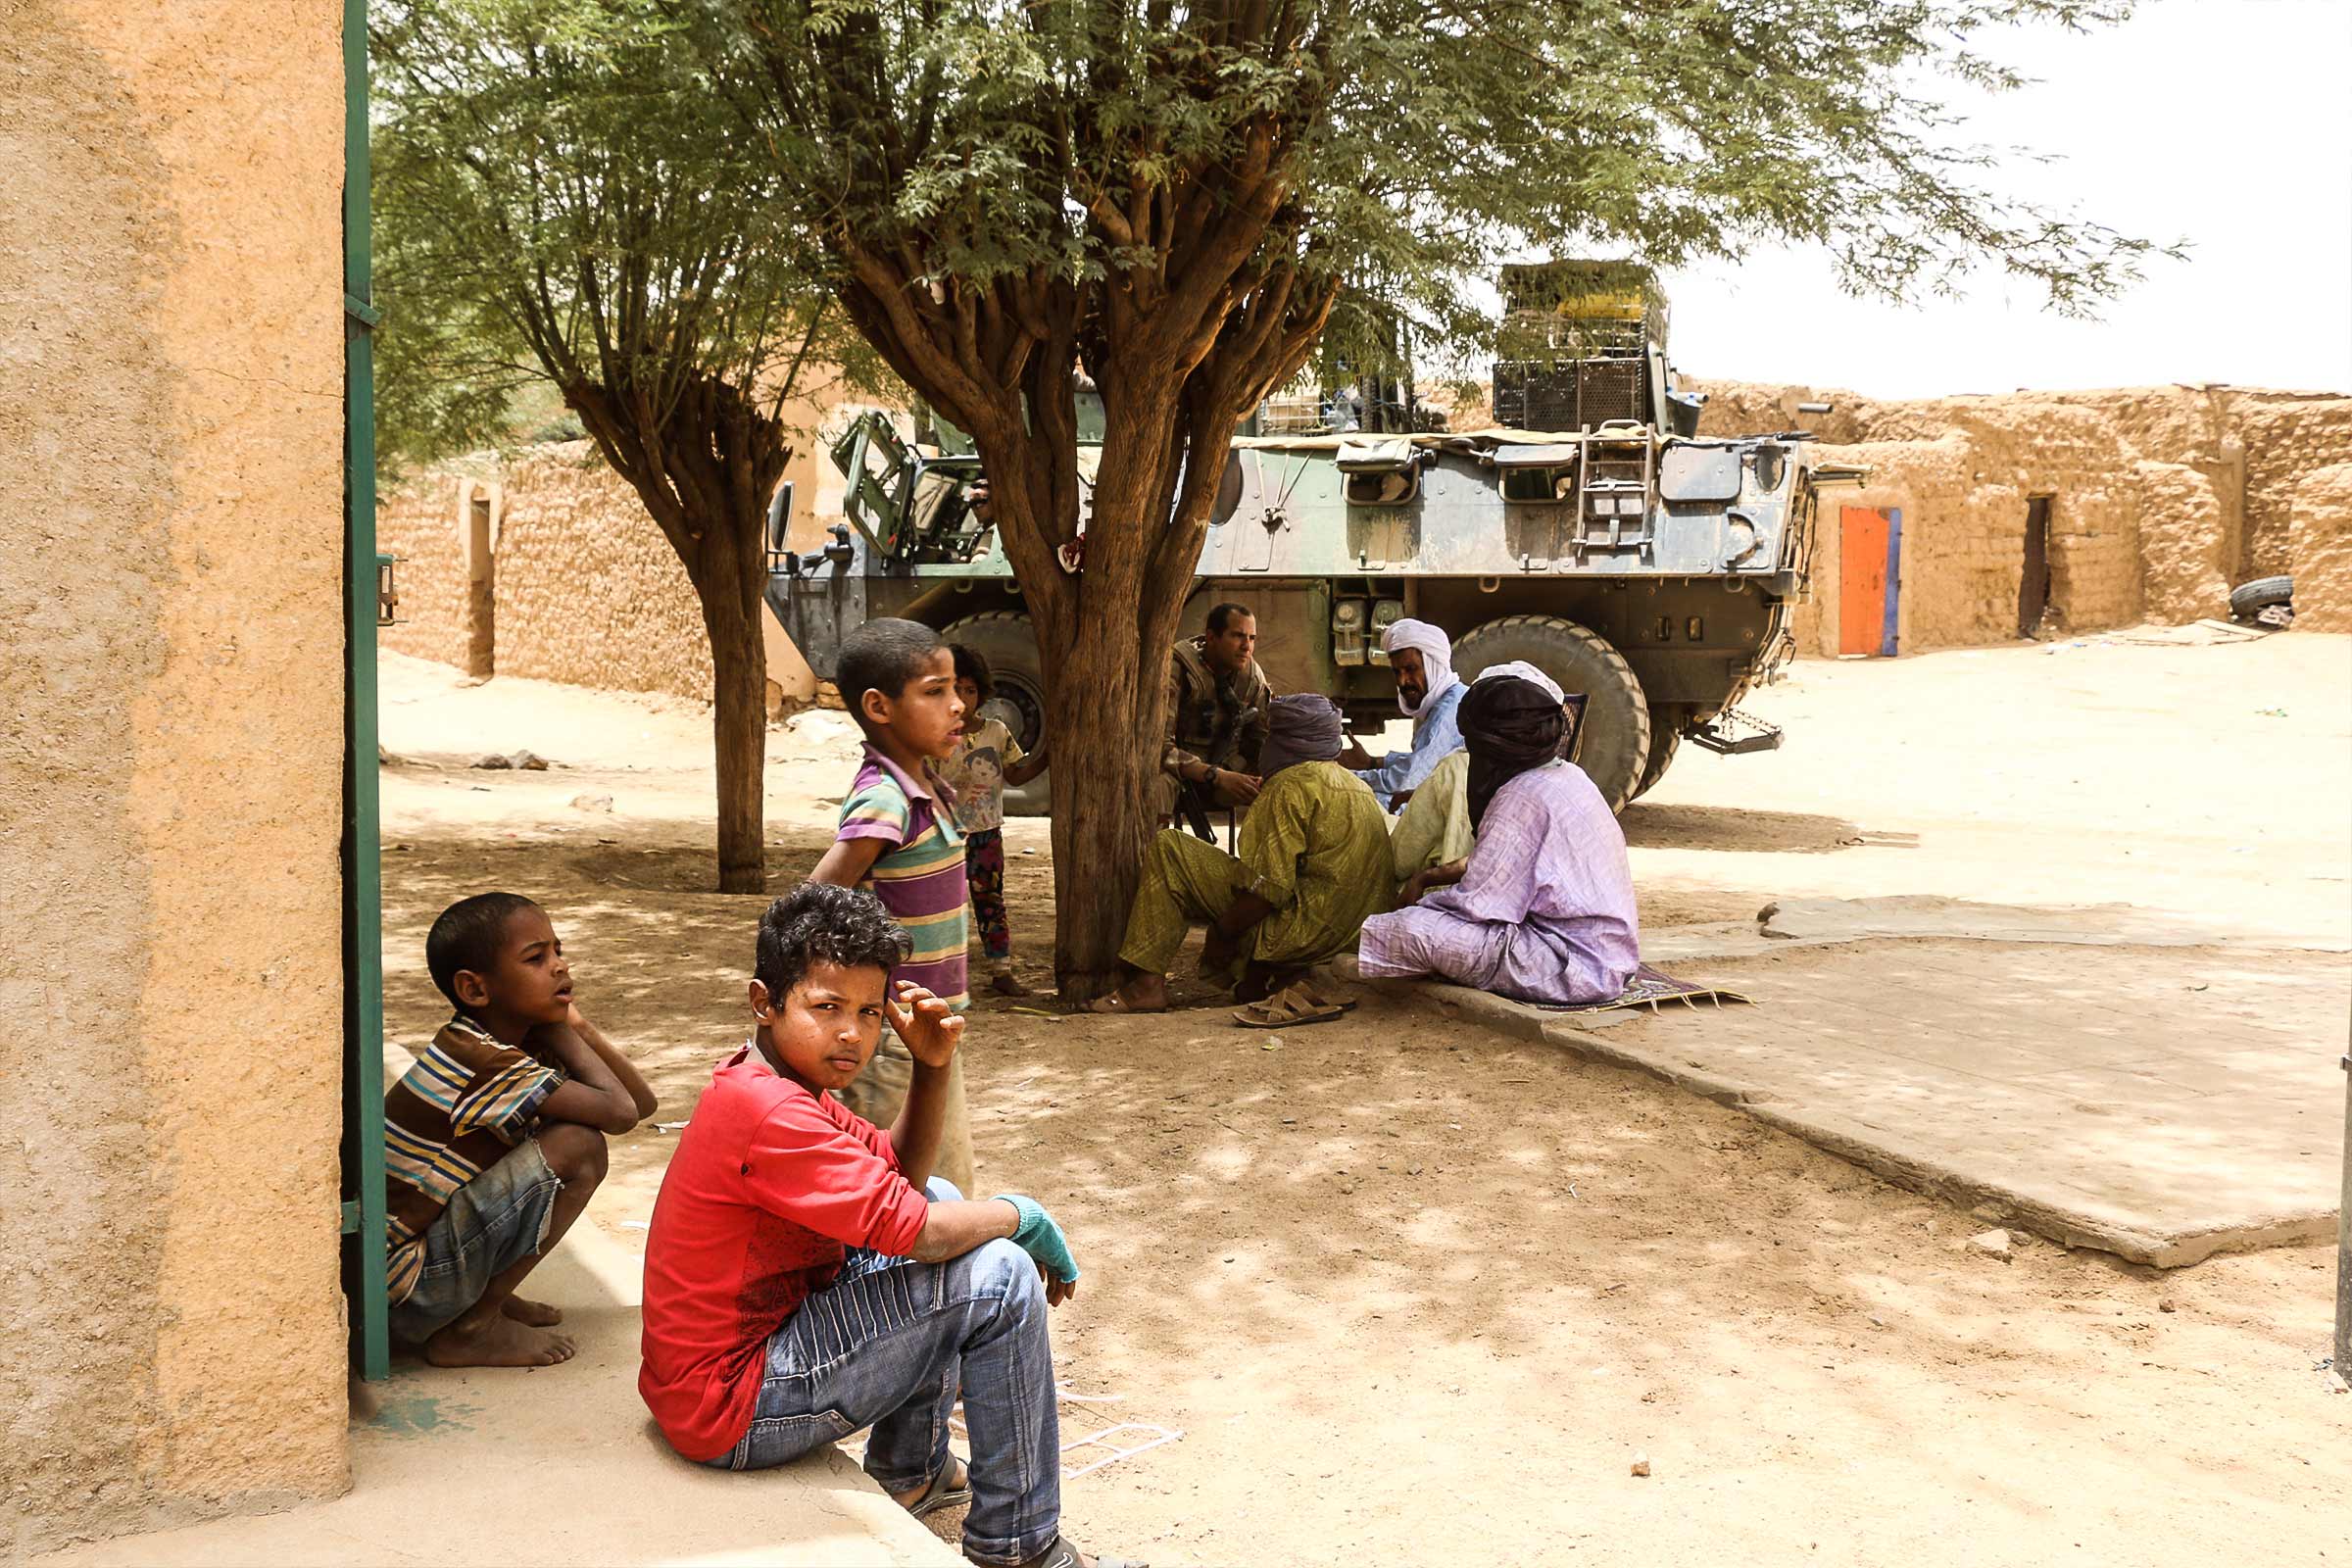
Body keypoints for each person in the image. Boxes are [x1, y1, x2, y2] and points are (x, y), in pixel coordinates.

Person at [639, 885, 1140, 1568]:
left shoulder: (782, 1087)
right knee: (998, 1277)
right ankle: (1019, 1547)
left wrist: (932, 1068)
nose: (853, 1033)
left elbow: (902, 1183)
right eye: (827, 1008)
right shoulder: (771, 1113)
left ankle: (912, 1472)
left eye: (871, 1012)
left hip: (731, 1370)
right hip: (731, 1405)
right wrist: (1021, 1216)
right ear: (765, 1002)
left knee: (941, 1199)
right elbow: (921, 1233)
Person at [383, 892, 658, 1368]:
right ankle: (471, 1327)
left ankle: (483, 1297)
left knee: (566, 1137)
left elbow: (641, 1103)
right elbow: (620, 1114)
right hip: (402, 1290)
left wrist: (574, 1026)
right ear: (474, 990)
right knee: (578, 1146)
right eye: (536, 958)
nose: (558, 966)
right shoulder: (482, 1059)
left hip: (408, 1273)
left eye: (558, 950)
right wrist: (564, 1031)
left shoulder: (506, 1040)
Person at [809, 617, 977, 1196]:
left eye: (955, 688)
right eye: (935, 691)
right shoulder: (886, 800)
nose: (957, 705)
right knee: (904, 1197)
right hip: (892, 1041)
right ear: (879, 708)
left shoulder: (931, 785)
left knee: (942, 1185)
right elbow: (812, 904)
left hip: (928, 1030)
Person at [1357, 665, 1641, 1005]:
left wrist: (1421, 902)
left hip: (1567, 964)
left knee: (1403, 929)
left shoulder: (1519, 795)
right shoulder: (1570, 776)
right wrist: (1430, 877)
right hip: (1609, 955)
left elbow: (1480, 907)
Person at [1093, 694, 1393, 1012]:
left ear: (1284, 740)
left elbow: (1267, 889)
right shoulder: (1358, 787)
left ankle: (1146, 986)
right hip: (1351, 937)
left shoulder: (1289, 786)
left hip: (1302, 936)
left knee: (1171, 849)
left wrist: (1221, 935)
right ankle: (1259, 978)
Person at [943, 643, 1051, 998]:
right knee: (943, 904)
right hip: (943, 835)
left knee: (990, 902)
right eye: (954, 688)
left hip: (986, 835)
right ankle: (943, 974)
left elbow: (1017, 775)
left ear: (982, 693)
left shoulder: (996, 732)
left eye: (970, 690)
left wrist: (1051, 752)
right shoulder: (933, 733)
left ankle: (1001, 970)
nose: (962, 698)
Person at [1156, 602, 1272, 825]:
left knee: (1283, 785)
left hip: (1228, 769)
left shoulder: (1251, 678)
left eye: (1252, 638)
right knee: (1157, 786)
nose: (1246, 647)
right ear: (1211, 637)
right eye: (1238, 636)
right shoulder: (1177, 670)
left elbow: (1263, 739)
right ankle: (1153, 857)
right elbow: (1159, 748)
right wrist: (1215, 775)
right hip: (1180, 771)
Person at [1341, 618, 1466, 810]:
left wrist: (1343, 779)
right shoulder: (1450, 699)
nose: (1403, 680)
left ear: (1433, 664)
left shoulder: (1447, 712)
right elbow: (1424, 760)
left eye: (1411, 669)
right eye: (1397, 672)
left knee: (1361, 799)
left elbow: (1407, 781)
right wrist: (1373, 762)